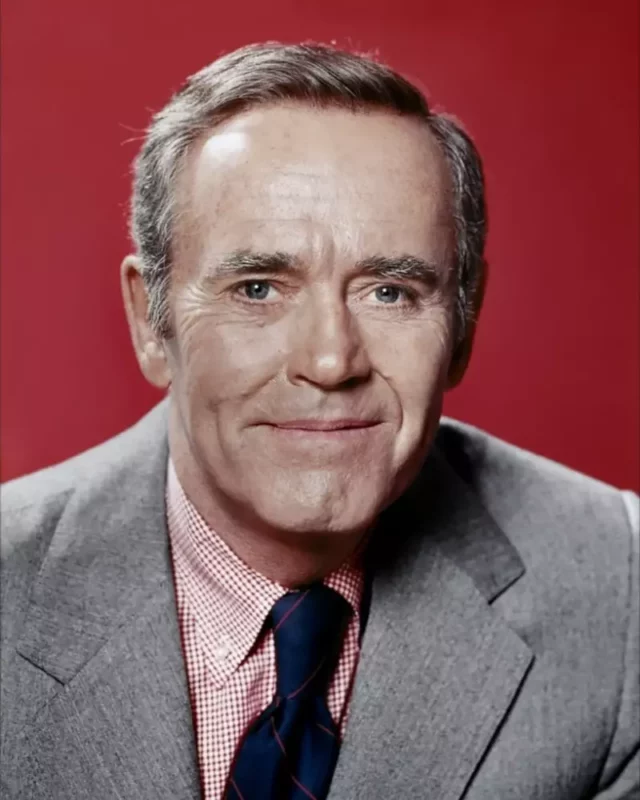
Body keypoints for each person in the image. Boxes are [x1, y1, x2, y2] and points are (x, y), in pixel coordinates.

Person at [1, 42, 638, 800]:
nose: (331, 361)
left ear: (463, 325)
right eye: (259, 288)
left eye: (391, 292)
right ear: (151, 321)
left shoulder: (618, 589)